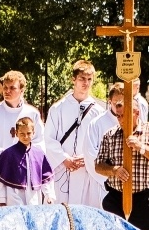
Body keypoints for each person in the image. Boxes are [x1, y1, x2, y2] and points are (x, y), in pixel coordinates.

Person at [95, 99, 149, 230]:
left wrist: (141, 147)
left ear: (137, 113)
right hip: (116, 196)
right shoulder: (110, 135)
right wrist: (114, 170)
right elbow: (98, 166)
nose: (121, 119)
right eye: (118, 115)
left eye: (124, 115)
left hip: (143, 198)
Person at [0, 70, 45, 208]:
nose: (7, 91)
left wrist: (20, 158)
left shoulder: (32, 114)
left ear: (22, 89)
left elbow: (39, 145)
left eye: (12, 88)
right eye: (5, 87)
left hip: (23, 174)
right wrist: (5, 156)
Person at [44, 59, 104, 205]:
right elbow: (48, 138)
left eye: (89, 79)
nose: (86, 83)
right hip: (62, 169)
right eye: (82, 79)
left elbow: (102, 141)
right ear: (73, 80)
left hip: (86, 170)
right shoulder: (58, 108)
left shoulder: (98, 111)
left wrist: (88, 157)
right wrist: (64, 158)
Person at [0, 117, 55, 206]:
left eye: (28, 133)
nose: (25, 137)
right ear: (16, 133)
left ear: (33, 133)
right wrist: (1, 200)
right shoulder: (8, 154)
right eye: (22, 134)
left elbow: (46, 178)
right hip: (14, 195)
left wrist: (49, 196)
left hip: (34, 196)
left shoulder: (39, 154)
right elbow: (1, 180)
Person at [84, 83, 124, 208]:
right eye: (116, 103)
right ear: (109, 101)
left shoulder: (133, 122)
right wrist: (111, 171)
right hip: (104, 182)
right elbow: (90, 153)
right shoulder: (97, 123)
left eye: (122, 102)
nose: (119, 107)